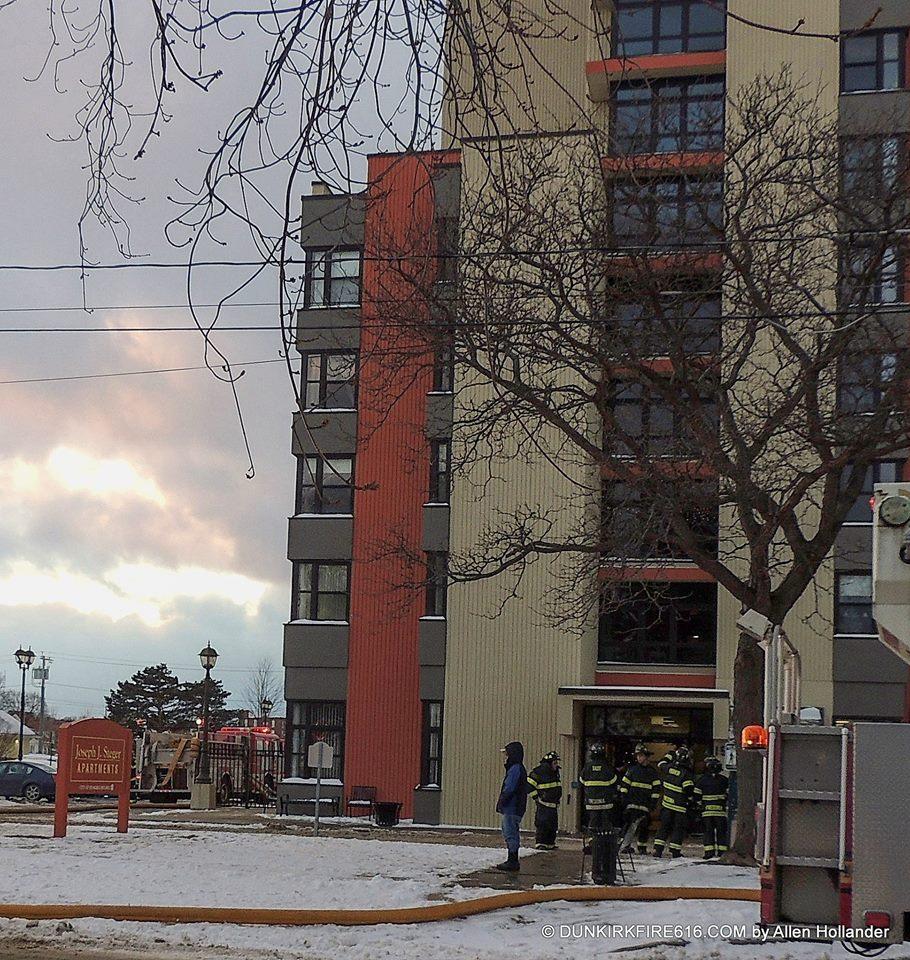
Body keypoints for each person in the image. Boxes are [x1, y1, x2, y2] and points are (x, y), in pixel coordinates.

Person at [580, 742, 619, 883]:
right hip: (606, 804)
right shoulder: (608, 768)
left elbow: (581, 781)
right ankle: (605, 846)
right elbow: (614, 782)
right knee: (605, 827)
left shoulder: (587, 767)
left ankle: (593, 844)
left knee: (593, 825)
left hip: (591, 804)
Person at [653, 745, 694, 859]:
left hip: (666, 805)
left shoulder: (669, 768)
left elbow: (661, 764)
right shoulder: (686, 773)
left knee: (664, 827)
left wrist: (670, 754)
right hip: (680, 808)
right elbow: (688, 790)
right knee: (677, 829)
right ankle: (675, 851)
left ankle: (658, 850)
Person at [619, 742, 661, 854]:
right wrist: (624, 800)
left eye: (641, 755)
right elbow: (624, 786)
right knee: (629, 826)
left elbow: (656, 790)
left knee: (644, 827)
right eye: (638, 756)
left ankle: (641, 848)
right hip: (632, 805)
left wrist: (653, 803)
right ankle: (623, 845)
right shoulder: (632, 770)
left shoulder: (652, 773)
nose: (639, 758)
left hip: (645, 805)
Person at [495, 741, 528, 872]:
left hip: (512, 806)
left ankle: (512, 860)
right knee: (510, 831)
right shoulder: (518, 768)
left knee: (510, 832)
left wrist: (502, 800)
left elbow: (510, 787)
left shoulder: (515, 768)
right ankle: (512, 859)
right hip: (515, 806)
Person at [694, 755, 729, 859]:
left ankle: (709, 852)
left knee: (708, 832)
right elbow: (728, 795)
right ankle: (722, 852)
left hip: (707, 813)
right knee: (721, 832)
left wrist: (700, 805)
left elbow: (696, 796)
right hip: (720, 813)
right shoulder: (724, 780)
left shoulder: (701, 780)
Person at [527, 751, 562, 850]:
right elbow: (528, 786)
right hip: (543, 804)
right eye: (555, 763)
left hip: (553, 805)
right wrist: (536, 798)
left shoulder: (554, 773)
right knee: (543, 824)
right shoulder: (538, 772)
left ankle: (550, 843)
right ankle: (541, 843)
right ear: (549, 763)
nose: (556, 765)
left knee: (552, 825)